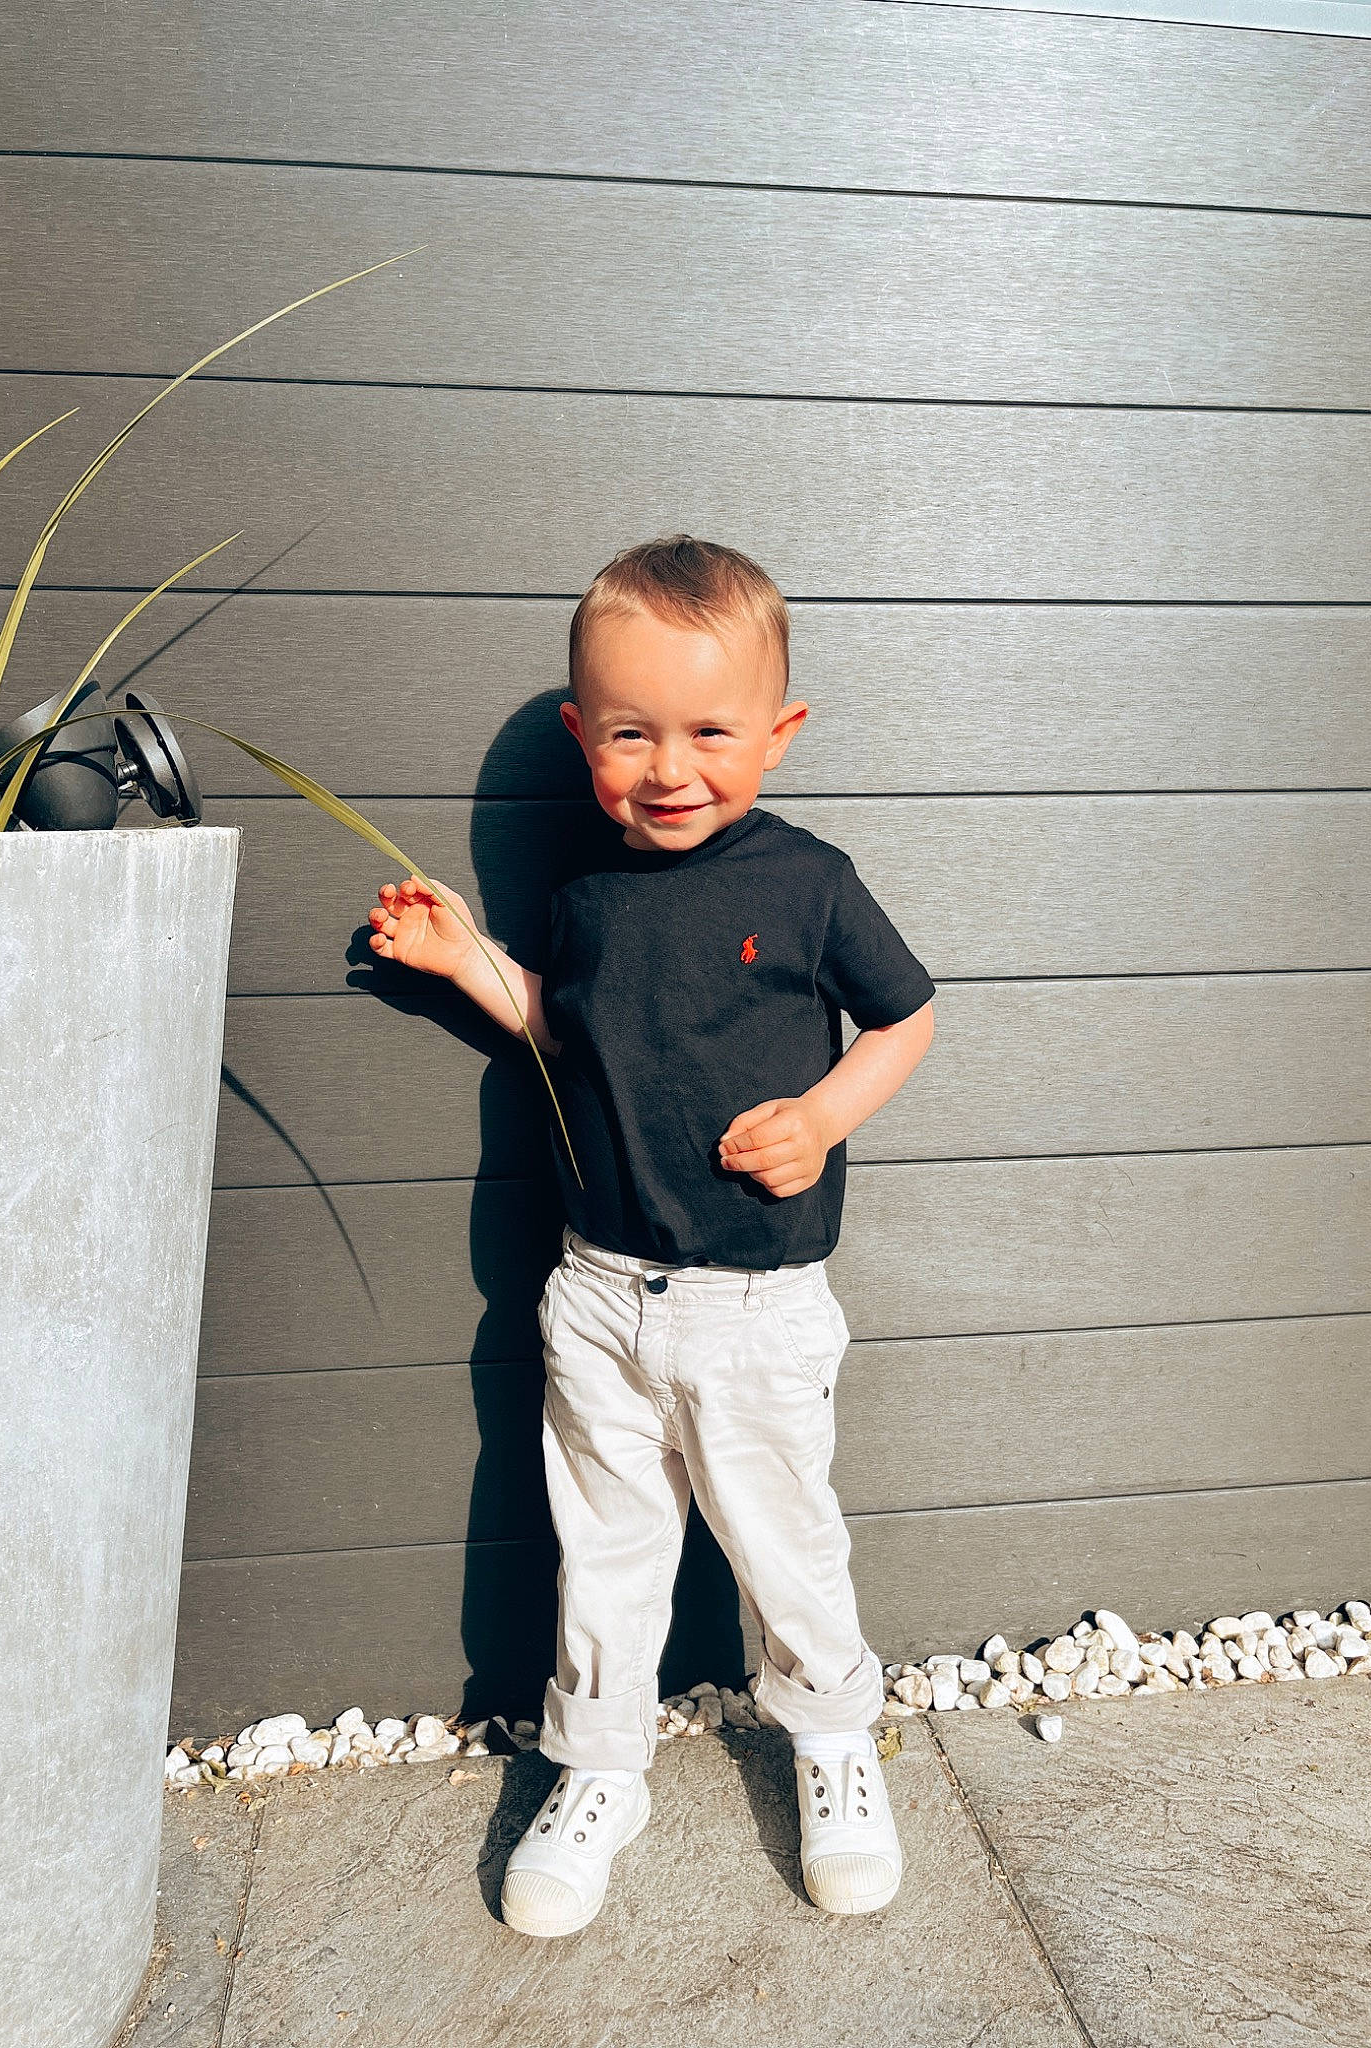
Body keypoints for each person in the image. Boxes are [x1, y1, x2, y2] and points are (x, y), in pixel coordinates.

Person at [367, 534, 935, 1937]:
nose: (669, 766)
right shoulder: (587, 896)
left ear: (780, 735)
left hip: (756, 1305)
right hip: (601, 1297)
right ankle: (599, 1768)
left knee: (786, 1544)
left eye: (709, 732)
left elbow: (908, 1016)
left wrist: (821, 1115)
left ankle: (831, 1743)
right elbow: (565, 1029)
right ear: (585, 735)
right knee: (607, 1549)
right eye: (631, 733)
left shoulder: (807, 884)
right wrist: (468, 962)